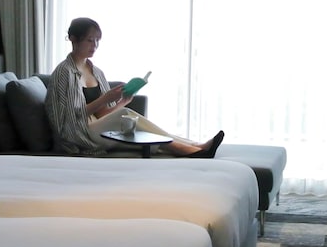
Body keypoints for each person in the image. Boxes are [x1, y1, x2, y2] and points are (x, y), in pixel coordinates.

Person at [45, 17, 224, 158]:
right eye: (90, 40)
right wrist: (105, 99)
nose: (95, 46)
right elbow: (71, 116)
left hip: (96, 127)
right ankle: (191, 147)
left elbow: (102, 114)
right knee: (126, 116)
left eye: (97, 41)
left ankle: (193, 147)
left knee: (128, 116)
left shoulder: (95, 71)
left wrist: (121, 102)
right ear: (73, 39)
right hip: (78, 133)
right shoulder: (64, 72)